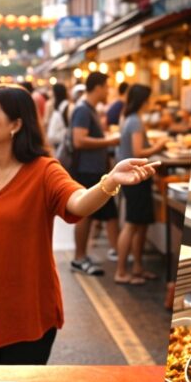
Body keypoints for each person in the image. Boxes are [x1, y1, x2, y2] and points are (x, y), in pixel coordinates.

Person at [0, 85, 159, 364]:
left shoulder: (44, 171)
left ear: (16, 124)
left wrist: (110, 182)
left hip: (28, 314)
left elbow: (78, 202)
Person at [114, 85, 169, 285]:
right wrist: (158, 146)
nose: (150, 102)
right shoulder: (135, 121)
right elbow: (138, 152)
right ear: (143, 101)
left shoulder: (128, 117)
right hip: (135, 178)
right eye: (149, 99)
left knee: (140, 223)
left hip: (135, 177)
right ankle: (121, 271)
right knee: (132, 224)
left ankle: (137, 267)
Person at [69, 72, 121, 276]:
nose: (108, 91)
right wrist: (109, 141)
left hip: (95, 169)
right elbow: (79, 140)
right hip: (86, 170)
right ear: (98, 87)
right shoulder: (83, 110)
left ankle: (115, 252)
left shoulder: (89, 109)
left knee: (105, 215)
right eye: (107, 87)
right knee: (84, 215)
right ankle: (79, 258)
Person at [45, 83, 69, 152]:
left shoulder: (50, 104)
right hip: (61, 140)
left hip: (59, 141)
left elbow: (46, 121)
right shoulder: (67, 105)